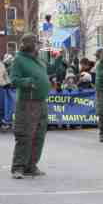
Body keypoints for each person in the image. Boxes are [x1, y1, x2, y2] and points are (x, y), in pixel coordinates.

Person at [10, 33, 50, 179]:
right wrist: (29, 82)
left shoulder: (37, 60)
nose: (38, 45)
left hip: (41, 102)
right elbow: (14, 79)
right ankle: (18, 167)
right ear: (29, 45)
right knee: (25, 135)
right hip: (27, 103)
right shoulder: (19, 60)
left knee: (39, 135)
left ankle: (31, 166)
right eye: (36, 43)